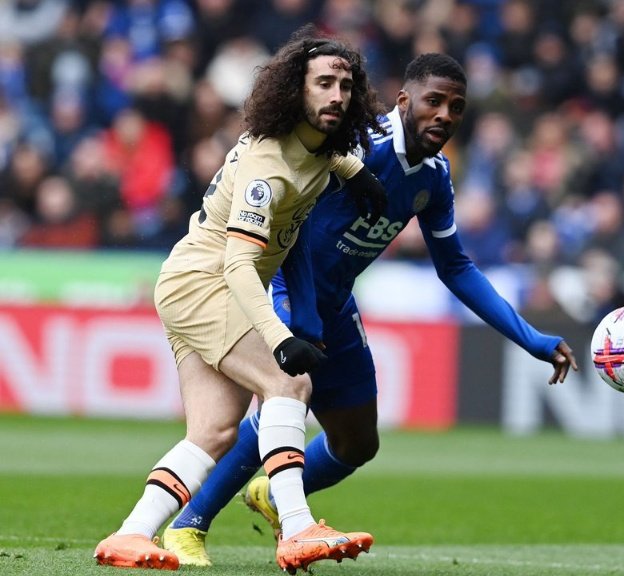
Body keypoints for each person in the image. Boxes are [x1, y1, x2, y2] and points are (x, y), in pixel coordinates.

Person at [161, 53, 579, 567]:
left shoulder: (435, 176)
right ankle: (188, 524)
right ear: (404, 101)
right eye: (434, 102)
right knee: (283, 395)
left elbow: (456, 268)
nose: (445, 115)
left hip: (335, 303)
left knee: (357, 441)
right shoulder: (355, 147)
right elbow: (291, 229)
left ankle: (272, 494)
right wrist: (303, 317)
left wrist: (532, 338)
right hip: (287, 288)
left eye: (457, 107)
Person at [93, 24, 387, 573]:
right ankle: (297, 528)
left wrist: (358, 173)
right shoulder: (266, 170)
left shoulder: (316, 146)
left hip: (185, 282)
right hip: (206, 283)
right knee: (289, 381)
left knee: (214, 433)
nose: (336, 96)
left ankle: (131, 533)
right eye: (323, 83)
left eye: (345, 86)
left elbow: (324, 159)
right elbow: (237, 263)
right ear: (294, 91)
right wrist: (280, 339)